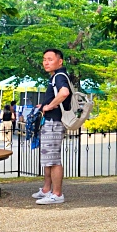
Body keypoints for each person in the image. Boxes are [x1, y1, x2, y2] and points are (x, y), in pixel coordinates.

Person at [33, 49, 72, 205]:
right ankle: (47, 189)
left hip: (54, 122)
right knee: (49, 158)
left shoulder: (60, 76)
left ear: (60, 61)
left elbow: (64, 93)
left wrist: (49, 106)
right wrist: (44, 105)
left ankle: (57, 193)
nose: (46, 62)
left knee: (54, 160)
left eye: (50, 59)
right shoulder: (55, 77)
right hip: (51, 122)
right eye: (44, 59)